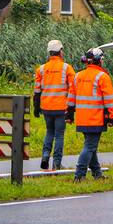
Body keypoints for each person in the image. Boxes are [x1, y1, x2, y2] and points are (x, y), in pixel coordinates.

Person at [68, 47, 113, 181]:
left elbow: (71, 96)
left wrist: (69, 114)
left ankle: (97, 173)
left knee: (91, 146)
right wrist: (111, 117)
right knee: (90, 146)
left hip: (82, 118)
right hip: (95, 118)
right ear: (99, 61)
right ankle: (79, 175)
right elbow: (109, 100)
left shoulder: (78, 76)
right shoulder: (102, 76)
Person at [33, 39, 75, 171]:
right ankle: (57, 163)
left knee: (49, 132)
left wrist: (36, 107)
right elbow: (74, 87)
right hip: (61, 107)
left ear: (49, 53)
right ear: (60, 52)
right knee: (59, 135)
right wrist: (72, 108)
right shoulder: (66, 68)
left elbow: (37, 90)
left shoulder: (41, 69)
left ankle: (45, 156)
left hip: (46, 107)